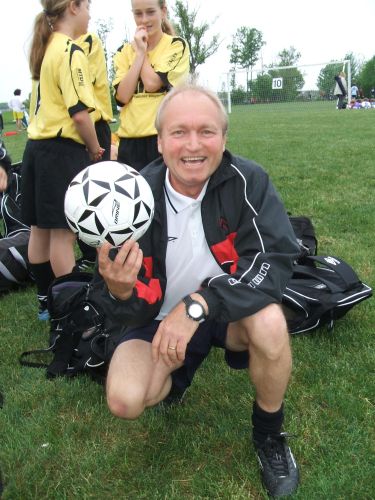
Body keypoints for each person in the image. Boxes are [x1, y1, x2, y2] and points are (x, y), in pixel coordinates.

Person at [97, 84, 301, 497]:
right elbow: (121, 310)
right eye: (179, 132)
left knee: (271, 323)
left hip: (225, 315)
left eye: (207, 131)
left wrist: (200, 303)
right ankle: (179, 369)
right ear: (159, 141)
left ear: (224, 139)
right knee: (125, 400)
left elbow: (275, 261)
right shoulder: (133, 197)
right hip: (156, 318)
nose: (193, 145)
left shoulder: (249, 180)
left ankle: (269, 435)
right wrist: (119, 291)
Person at [21, 0, 104, 320]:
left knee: (39, 232)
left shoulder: (45, 48)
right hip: (60, 153)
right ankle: (70, 310)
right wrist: (96, 149)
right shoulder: (70, 50)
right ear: (73, 7)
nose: (89, 14)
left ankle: (46, 303)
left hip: (35, 151)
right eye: (88, 6)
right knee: (62, 236)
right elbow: (80, 114)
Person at [113, 0, 190, 172]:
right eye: (138, 13)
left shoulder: (176, 46)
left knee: (160, 197)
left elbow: (152, 84)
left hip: (162, 138)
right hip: (129, 141)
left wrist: (142, 51)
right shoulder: (124, 52)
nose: (144, 20)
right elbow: (123, 97)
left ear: (163, 11)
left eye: (150, 12)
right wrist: (138, 53)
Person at [75, 31, 114, 271]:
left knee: (92, 193)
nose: (88, 14)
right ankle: (97, 251)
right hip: (88, 123)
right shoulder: (83, 42)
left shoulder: (80, 41)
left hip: (85, 125)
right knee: (94, 194)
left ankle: (98, 250)